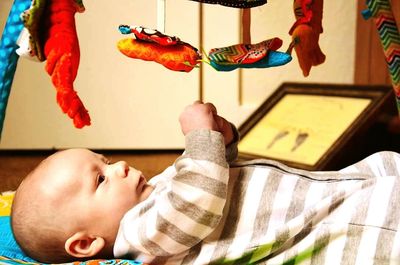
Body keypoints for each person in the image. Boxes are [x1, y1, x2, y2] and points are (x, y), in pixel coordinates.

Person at [11, 101, 400, 264]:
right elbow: (200, 198)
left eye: (107, 161)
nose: (120, 167)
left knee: (381, 167)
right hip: (353, 224)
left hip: (327, 190)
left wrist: (223, 143)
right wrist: (199, 137)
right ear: (86, 243)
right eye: (100, 179)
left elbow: (212, 177)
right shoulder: (141, 236)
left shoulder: (155, 195)